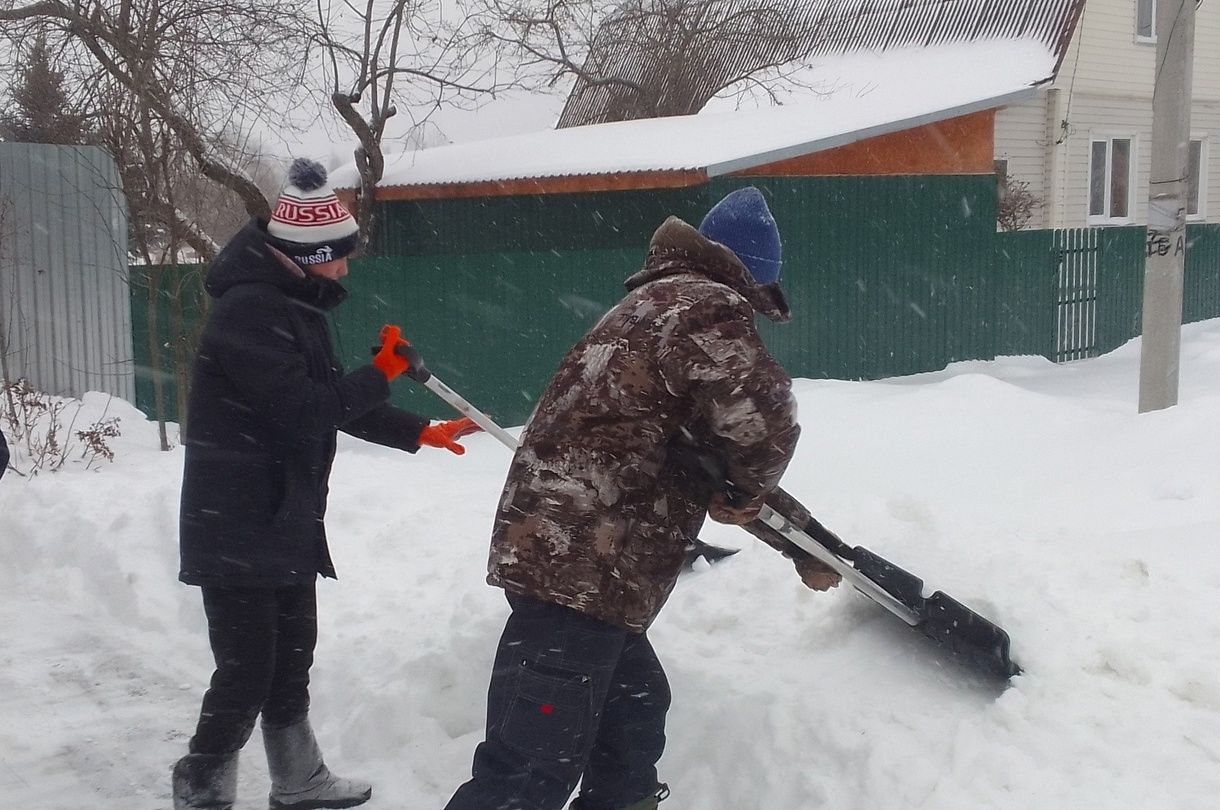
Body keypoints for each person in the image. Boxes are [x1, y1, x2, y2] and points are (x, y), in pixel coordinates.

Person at [443, 187, 840, 810]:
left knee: (634, 708)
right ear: (752, 277)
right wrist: (750, 488)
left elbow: (698, 456)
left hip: (566, 555)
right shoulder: (707, 307)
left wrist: (800, 539)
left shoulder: (648, 308)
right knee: (528, 770)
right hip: (586, 567)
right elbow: (762, 421)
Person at [172, 158, 479, 810]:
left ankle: (299, 778)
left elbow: (329, 399)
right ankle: (202, 787)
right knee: (248, 669)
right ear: (307, 253)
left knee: (290, 662)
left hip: (282, 516)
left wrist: (416, 431)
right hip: (237, 520)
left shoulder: (292, 305)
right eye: (338, 258)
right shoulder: (248, 312)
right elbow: (305, 411)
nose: (344, 269)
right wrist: (383, 370)